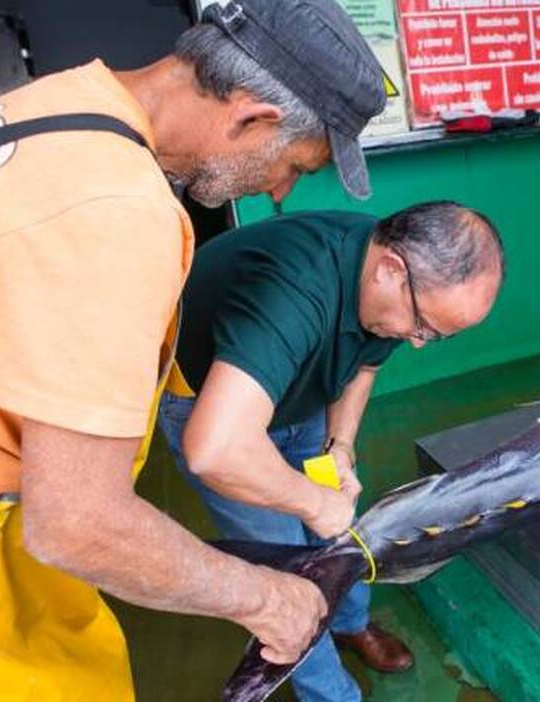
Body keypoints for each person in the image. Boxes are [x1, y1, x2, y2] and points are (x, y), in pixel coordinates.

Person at [0, 0, 390, 698]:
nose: (279, 192)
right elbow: (79, 524)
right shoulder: (114, 207)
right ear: (251, 118)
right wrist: (267, 600)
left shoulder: (50, 104)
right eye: (293, 164)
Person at [158, 201, 504, 702]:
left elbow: (364, 364)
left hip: (305, 407)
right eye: (424, 328)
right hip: (221, 417)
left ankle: (351, 624)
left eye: (436, 337)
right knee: (289, 575)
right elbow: (216, 449)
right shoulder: (294, 290)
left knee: (340, 529)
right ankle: (332, 694)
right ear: (391, 270)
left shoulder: (388, 283)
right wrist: (312, 502)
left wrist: (339, 446)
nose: (421, 343)